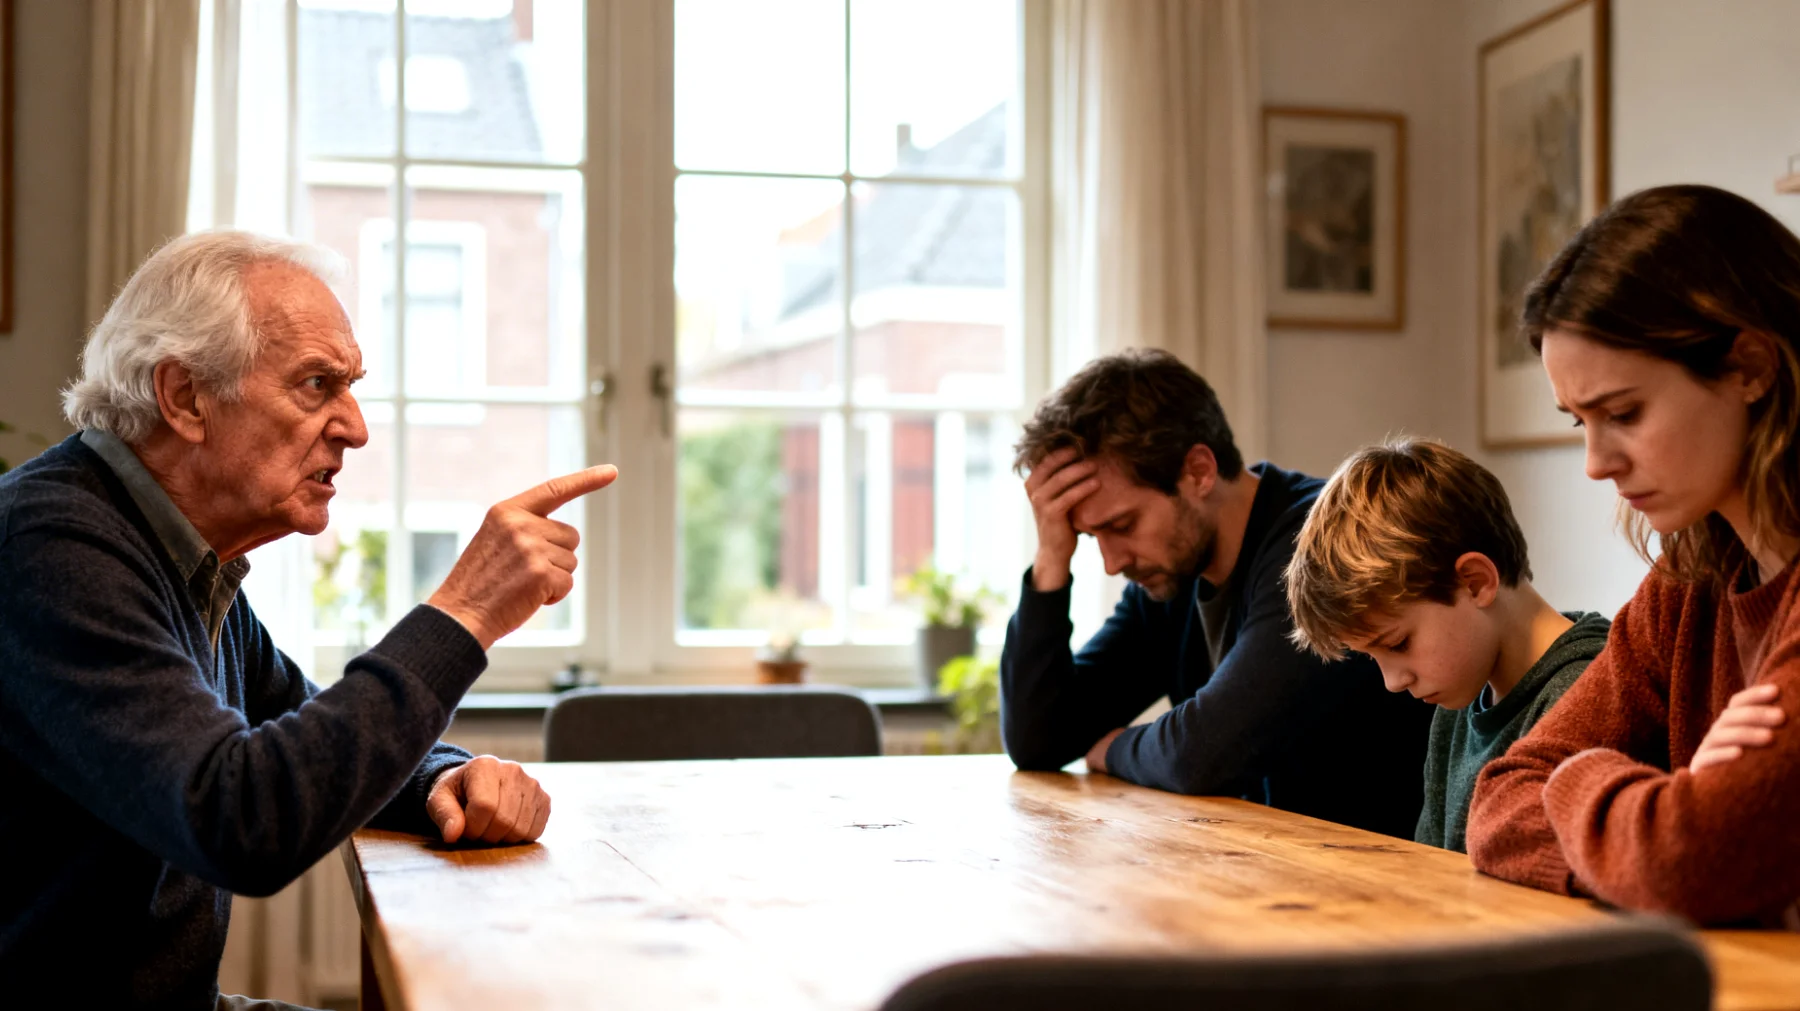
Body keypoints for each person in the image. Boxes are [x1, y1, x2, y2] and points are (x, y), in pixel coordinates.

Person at [0, 232, 617, 1008]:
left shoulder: (182, 555)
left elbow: (305, 733)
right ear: (185, 396)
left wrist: (439, 778)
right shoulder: (52, 544)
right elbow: (242, 818)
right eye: (317, 384)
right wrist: (463, 612)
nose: (355, 427)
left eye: (350, 386)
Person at [1466, 184, 1800, 927]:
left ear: (1749, 367)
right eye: (1579, 420)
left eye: (1622, 413)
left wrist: (1580, 777)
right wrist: (1665, 807)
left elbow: (1692, 859)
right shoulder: (1689, 579)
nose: (1594, 463)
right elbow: (1498, 797)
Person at [1000, 349, 1433, 837]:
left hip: (1385, 884)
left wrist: (1112, 748)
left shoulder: (1319, 547)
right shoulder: (1168, 581)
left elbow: (1204, 753)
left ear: (1199, 471)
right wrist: (1051, 560)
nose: (1112, 562)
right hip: (1270, 875)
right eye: (1089, 537)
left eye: (1121, 525)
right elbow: (1039, 740)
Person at [1283, 437, 1610, 853]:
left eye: (1399, 643)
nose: (1392, 682)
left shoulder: (1589, 691)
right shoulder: (1461, 698)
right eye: (1372, 657)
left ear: (1475, 582)